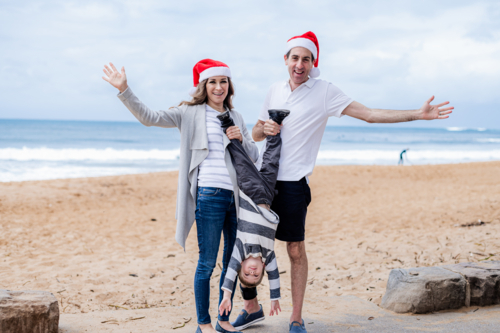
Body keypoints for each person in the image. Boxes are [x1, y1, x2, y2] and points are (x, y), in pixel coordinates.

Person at [233, 31, 454, 333]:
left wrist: (418, 114)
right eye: (295, 58)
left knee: (295, 249)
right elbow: (256, 134)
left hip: (294, 183)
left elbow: (370, 114)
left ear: (313, 63)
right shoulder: (274, 90)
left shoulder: (325, 92)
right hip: (262, 181)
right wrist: (264, 128)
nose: (300, 64)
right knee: (250, 247)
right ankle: (251, 307)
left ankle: (296, 317)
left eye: (306, 59)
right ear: (286, 60)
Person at [102, 59, 259, 333]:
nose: (219, 87)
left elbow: (254, 157)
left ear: (229, 85)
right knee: (207, 262)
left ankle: (224, 319)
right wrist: (125, 90)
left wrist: (241, 140)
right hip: (208, 196)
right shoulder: (189, 113)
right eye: (212, 82)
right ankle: (203, 323)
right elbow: (150, 118)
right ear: (203, 85)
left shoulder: (237, 117)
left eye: (223, 81)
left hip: (236, 199)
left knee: (231, 264)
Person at [215, 109, 290, 324]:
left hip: (249, 194)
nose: (252, 272)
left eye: (247, 274)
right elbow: (275, 276)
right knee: (272, 160)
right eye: (256, 276)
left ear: (242, 267)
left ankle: (226, 124)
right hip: (267, 195)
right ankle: (276, 119)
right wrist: (274, 298)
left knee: (241, 160)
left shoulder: (240, 249)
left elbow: (230, 273)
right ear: (262, 270)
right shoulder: (268, 256)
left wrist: (227, 294)